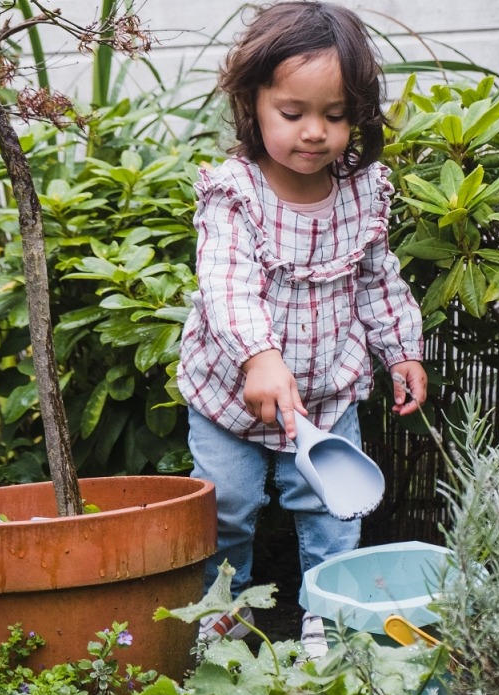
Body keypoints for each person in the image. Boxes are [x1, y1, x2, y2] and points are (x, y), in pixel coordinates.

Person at [177, 0, 427, 658]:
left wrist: (401, 350)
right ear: (253, 102)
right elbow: (226, 283)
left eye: (335, 115)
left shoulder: (361, 193)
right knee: (227, 507)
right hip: (233, 397)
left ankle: (329, 617)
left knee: (330, 513)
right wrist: (259, 356)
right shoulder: (237, 193)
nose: (315, 132)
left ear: (357, 116)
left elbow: (377, 279)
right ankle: (223, 617)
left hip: (324, 394)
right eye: (294, 113)